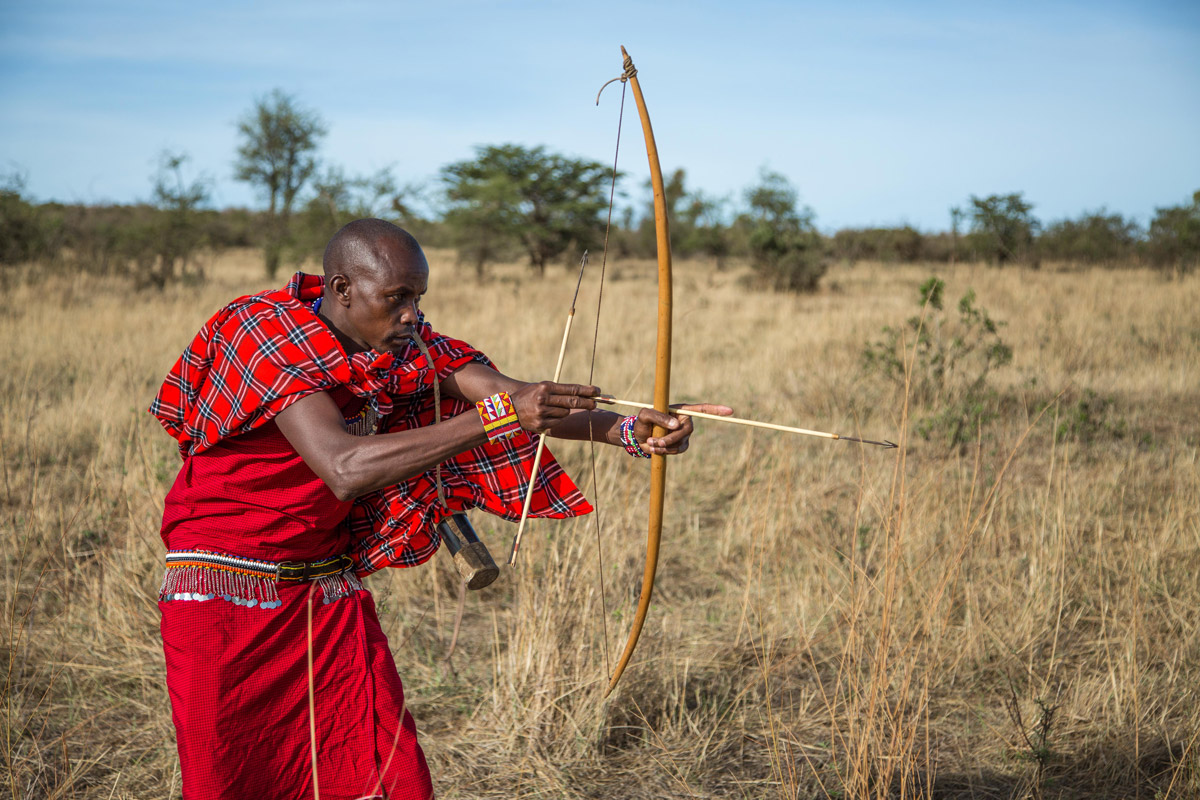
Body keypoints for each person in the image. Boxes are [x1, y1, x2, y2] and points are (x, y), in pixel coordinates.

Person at [150, 218, 729, 800]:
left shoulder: (403, 344)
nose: (411, 314)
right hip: (222, 593)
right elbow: (345, 468)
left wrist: (628, 428)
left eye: (418, 298)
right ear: (341, 288)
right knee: (234, 777)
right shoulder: (267, 335)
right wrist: (500, 417)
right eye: (396, 298)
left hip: (324, 589)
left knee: (387, 773)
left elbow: (517, 397)